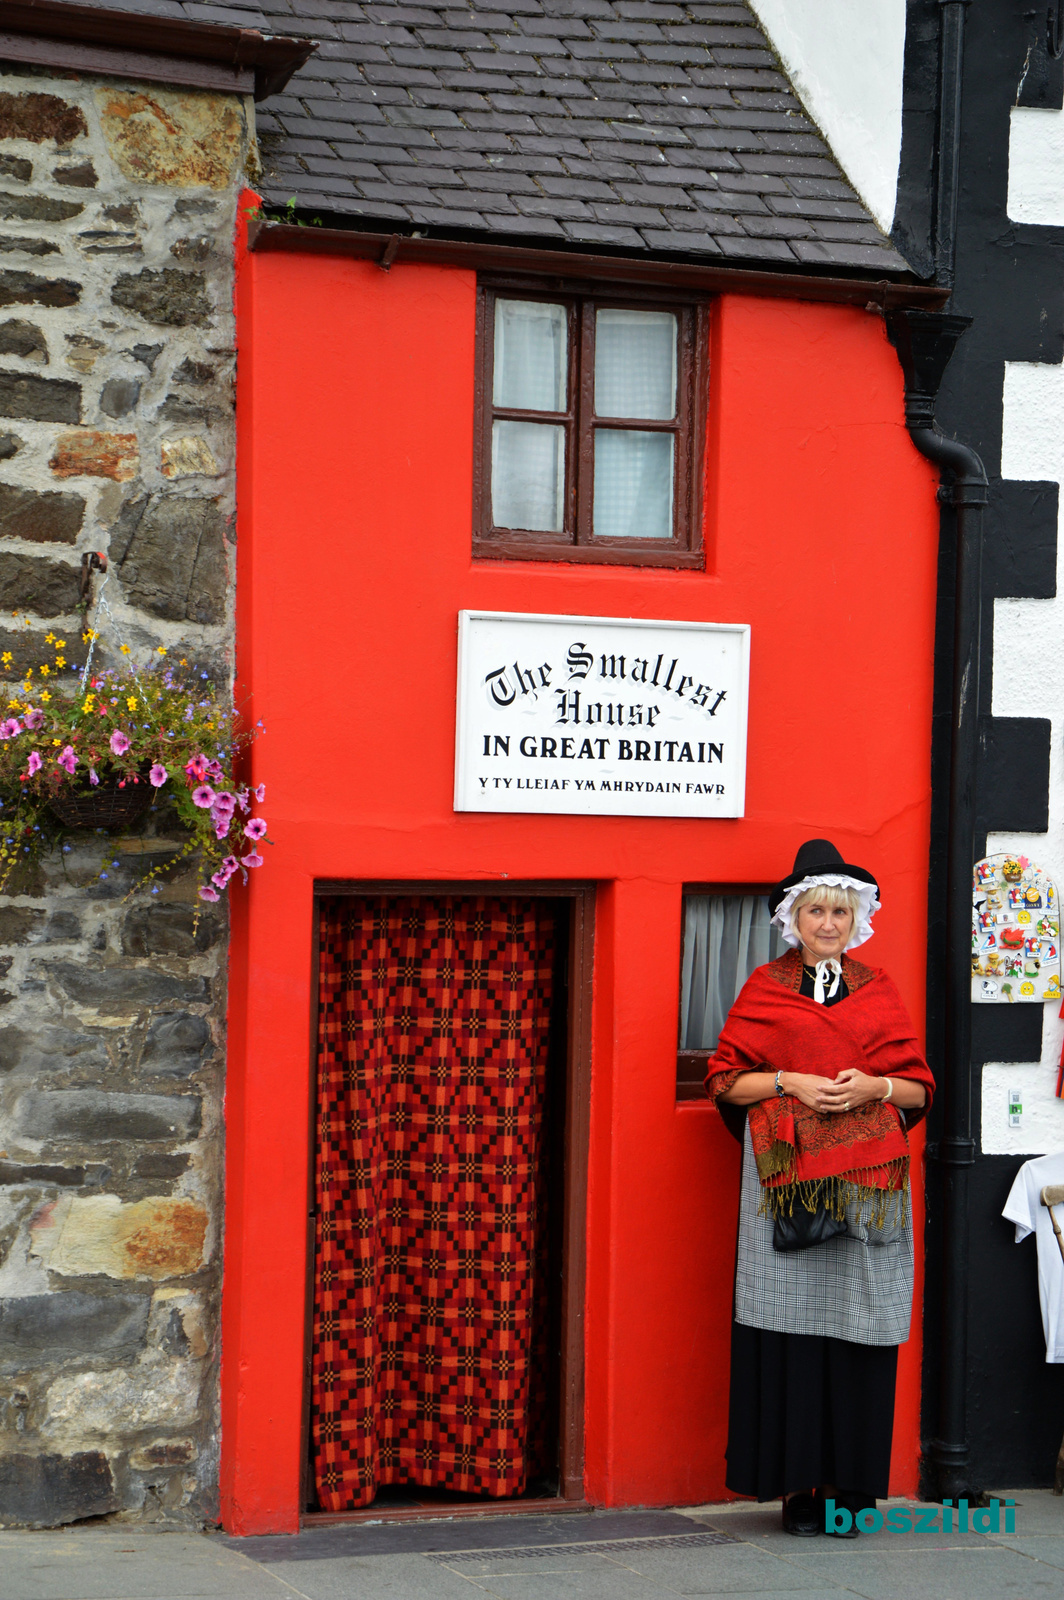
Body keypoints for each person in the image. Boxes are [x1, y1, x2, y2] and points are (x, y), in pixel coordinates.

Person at [705, 839, 935, 1537]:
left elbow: (918, 1088)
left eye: (839, 910)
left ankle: (850, 1494)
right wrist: (787, 1081)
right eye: (815, 911)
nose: (827, 922)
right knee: (788, 1330)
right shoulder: (763, 990)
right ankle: (797, 1491)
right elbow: (724, 1080)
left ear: (854, 918)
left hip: (868, 1194)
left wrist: (873, 1086)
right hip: (785, 1190)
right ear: (793, 920)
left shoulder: (880, 990)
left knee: (859, 1328)